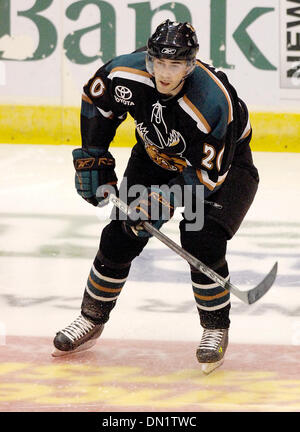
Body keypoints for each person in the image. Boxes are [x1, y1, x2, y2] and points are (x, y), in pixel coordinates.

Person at [52, 20, 259, 373]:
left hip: (223, 171)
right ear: (149, 59)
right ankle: (91, 318)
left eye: (175, 65)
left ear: (191, 65)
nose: (164, 73)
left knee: (200, 239)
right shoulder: (123, 73)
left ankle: (214, 328)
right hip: (154, 158)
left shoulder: (212, 102)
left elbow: (208, 174)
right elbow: (97, 102)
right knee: (121, 234)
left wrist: (167, 197)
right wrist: (94, 157)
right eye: (158, 63)